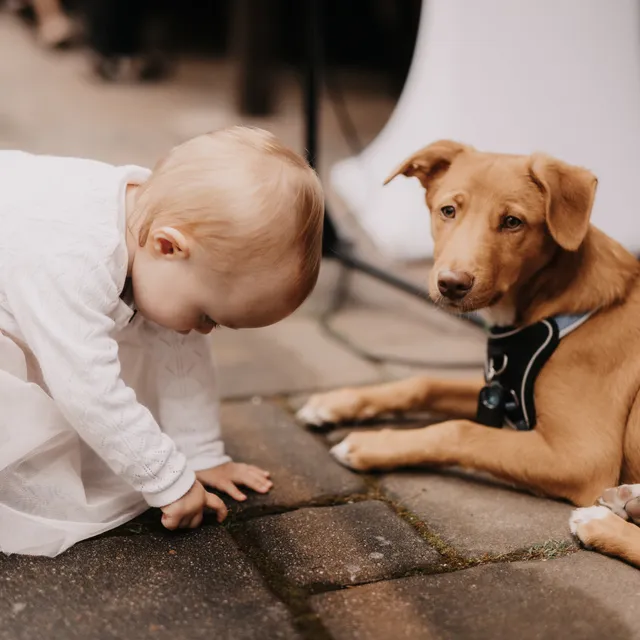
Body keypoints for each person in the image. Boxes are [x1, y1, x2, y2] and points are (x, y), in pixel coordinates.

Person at [0, 126, 324, 557]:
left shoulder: (161, 219)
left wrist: (200, 454)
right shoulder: (72, 263)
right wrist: (167, 479)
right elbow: (86, 389)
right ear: (168, 246)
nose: (204, 331)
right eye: (208, 316)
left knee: (163, 325)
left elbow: (180, 352)